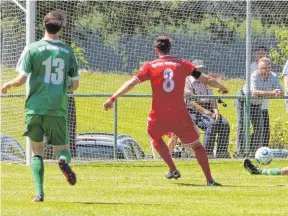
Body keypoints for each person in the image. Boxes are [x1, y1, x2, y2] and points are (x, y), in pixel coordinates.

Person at [103, 35, 228, 186]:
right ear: (170, 48)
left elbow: (131, 83)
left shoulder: (150, 66)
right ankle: (209, 180)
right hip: (180, 114)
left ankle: (172, 168)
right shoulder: (183, 64)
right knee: (196, 145)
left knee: (155, 138)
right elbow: (206, 79)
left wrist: (112, 98)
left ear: (156, 50)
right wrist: (221, 87)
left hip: (158, 115)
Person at [1, 10, 79, 202]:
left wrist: (8, 84)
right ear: (61, 28)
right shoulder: (68, 52)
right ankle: (62, 161)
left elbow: (21, 79)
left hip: (34, 107)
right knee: (63, 150)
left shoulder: (32, 49)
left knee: (37, 151)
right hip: (57, 108)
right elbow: (75, 85)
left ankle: (39, 193)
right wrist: (61, 85)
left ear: (44, 25)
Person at [185, 60, 230, 158]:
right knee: (211, 124)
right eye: (198, 69)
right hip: (194, 110)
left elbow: (212, 98)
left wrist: (216, 111)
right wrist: (206, 112)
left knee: (225, 124)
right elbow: (192, 101)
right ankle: (206, 154)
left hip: (209, 108)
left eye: (202, 68)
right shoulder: (187, 81)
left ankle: (221, 153)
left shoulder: (205, 80)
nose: (201, 70)